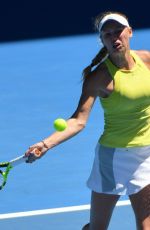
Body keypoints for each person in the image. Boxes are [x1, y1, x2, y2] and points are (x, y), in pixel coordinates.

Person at [25, 11, 150, 230]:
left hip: (146, 155)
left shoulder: (147, 60)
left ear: (129, 32)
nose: (114, 38)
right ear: (102, 40)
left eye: (118, 31)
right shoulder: (99, 77)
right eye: (107, 34)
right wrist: (46, 144)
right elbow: (78, 121)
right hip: (113, 159)